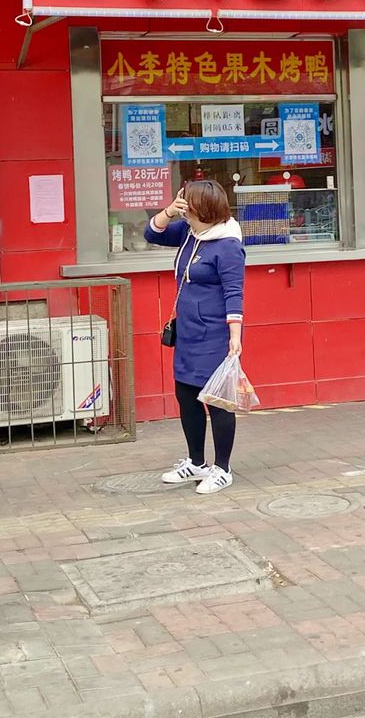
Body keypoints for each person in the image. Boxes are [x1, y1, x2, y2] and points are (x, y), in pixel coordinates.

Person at [145, 179, 245, 494]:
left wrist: (234, 337)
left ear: (201, 209)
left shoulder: (227, 244)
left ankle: (223, 468)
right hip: (188, 332)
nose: (184, 209)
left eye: (188, 205)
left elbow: (234, 292)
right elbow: (153, 233)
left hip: (215, 335)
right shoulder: (191, 233)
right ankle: (196, 462)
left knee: (217, 402)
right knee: (187, 396)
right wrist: (169, 211)